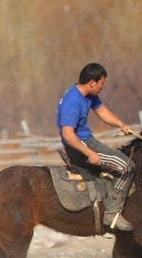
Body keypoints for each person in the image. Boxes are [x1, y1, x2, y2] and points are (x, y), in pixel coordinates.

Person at [57, 62, 135, 231]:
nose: (102, 86)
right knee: (127, 167)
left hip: (88, 141)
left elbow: (102, 111)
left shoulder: (87, 95)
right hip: (80, 147)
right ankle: (112, 213)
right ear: (92, 82)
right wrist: (89, 153)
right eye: (101, 83)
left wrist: (121, 124)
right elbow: (68, 135)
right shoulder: (73, 101)